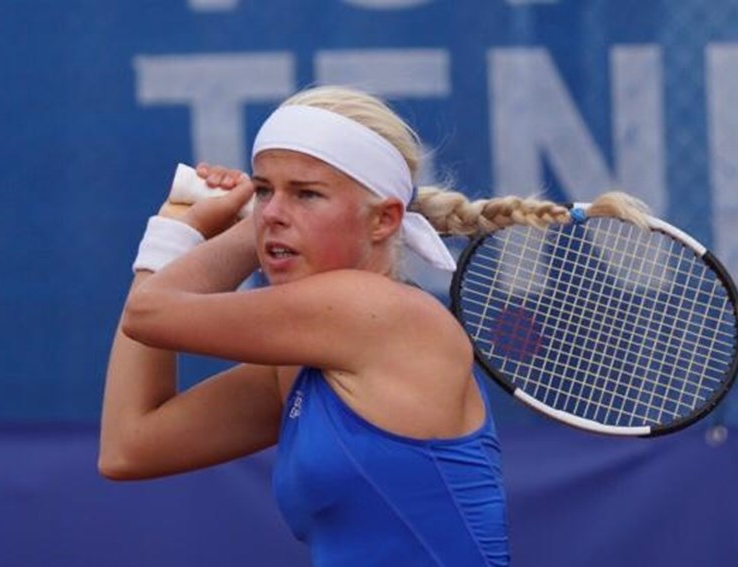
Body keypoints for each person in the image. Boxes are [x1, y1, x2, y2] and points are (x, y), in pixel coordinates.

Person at [99, 85, 573, 567]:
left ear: (384, 219)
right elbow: (129, 446)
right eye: (263, 190)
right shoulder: (305, 361)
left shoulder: (374, 313)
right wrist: (201, 225)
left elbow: (148, 312)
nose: (273, 212)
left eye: (306, 193)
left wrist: (187, 232)